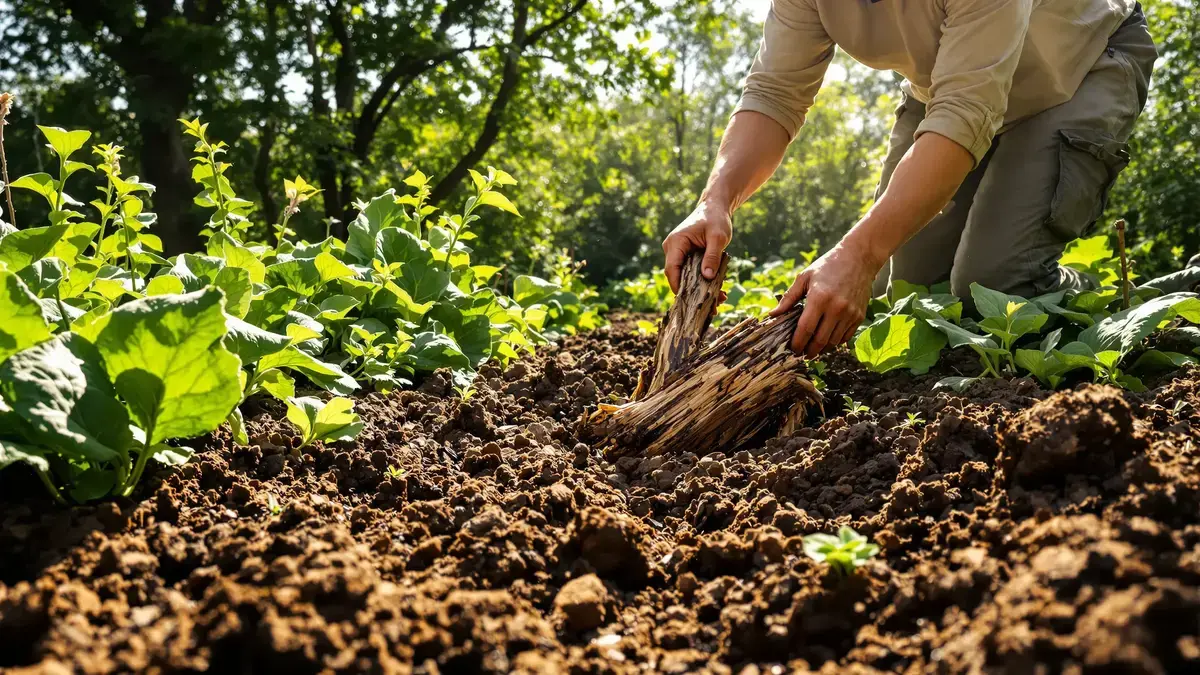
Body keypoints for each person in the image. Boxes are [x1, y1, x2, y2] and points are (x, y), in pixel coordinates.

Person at [661, 0, 1156, 357]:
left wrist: (859, 254)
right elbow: (775, 93)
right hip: (950, 87)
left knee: (995, 286)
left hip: (1079, 66)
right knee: (911, 290)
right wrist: (716, 200)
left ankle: (1126, 304)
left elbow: (965, 113)